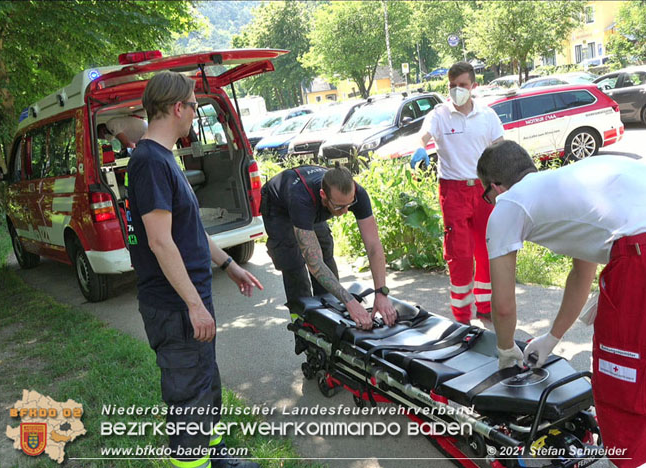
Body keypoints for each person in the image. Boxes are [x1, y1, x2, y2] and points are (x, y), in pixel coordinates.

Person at [478, 140, 646, 468]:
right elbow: (582, 272)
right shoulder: (569, 183)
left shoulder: (508, 204)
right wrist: (552, 337)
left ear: (495, 188)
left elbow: (503, 304)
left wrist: (505, 349)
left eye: (487, 195)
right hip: (636, 236)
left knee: (621, 380)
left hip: (638, 251)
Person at [127, 71, 263, 468]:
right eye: (193, 105)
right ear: (176, 108)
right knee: (188, 398)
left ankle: (216, 457)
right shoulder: (150, 162)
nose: (195, 113)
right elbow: (159, 241)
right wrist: (193, 304)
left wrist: (229, 264)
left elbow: (188, 231)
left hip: (189, 302)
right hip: (174, 307)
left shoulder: (162, 157)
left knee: (206, 385)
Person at [415, 61, 504, 325]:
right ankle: (462, 317)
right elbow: (424, 135)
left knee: (487, 252)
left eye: (462, 86)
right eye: (452, 86)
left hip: (484, 190)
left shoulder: (487, 116)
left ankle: (486, 308)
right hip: (453, 193)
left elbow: (500, 149)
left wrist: (503, 181)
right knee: (460, 255)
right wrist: (420, 147)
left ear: (473, 86)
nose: (457, 91)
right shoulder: (440, 115)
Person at [261, 165, 397, 330]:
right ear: (323, 196)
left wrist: (381, 292)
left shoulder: (357, 194)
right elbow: (314, 264)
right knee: (295, 267)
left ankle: (330, 321)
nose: (346, 211)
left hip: (314, 205)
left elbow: (374, 246)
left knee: (326, 252)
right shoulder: (301, 199)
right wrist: (350, 301)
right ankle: (303, 328)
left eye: (350, 204)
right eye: (340, 207)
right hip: (280, 209)